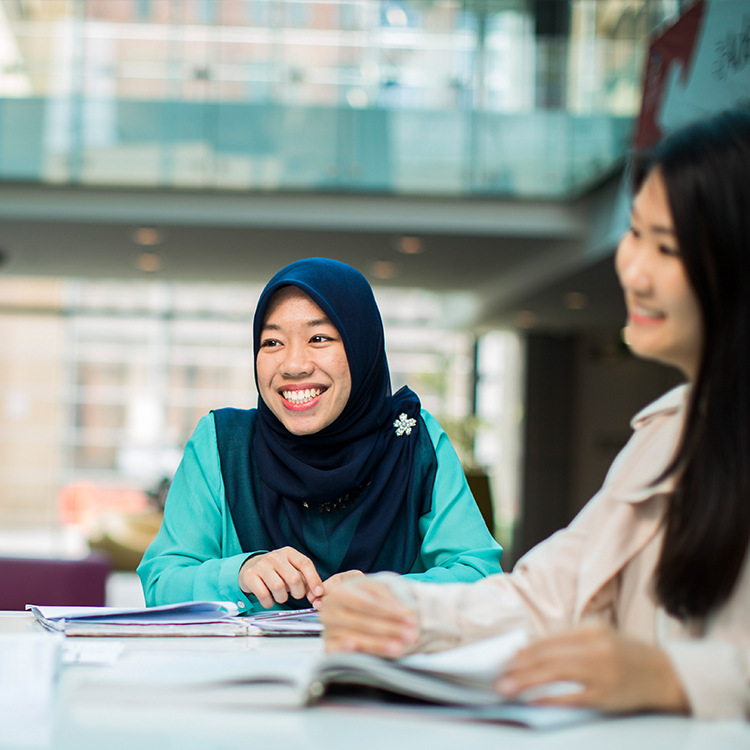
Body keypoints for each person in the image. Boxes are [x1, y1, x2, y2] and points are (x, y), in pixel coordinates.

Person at [320, 109, 750, 721]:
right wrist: (401, 608)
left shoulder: (416, 438)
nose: (633, 269)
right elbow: (550, 594)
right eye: (634, 234)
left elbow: (480, 565)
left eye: (668, 248)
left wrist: (672, 676)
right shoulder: (667, 435)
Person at [138, 258, 503, 612]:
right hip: (248, 672)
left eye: (319, 337)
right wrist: (239, 573)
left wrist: (391, 593)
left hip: (380, 670)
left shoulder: (412, 441)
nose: (294, 365)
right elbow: (161, 583)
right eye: (272, 343)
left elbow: (483, 581)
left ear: (362, 348)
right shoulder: (222, 444)